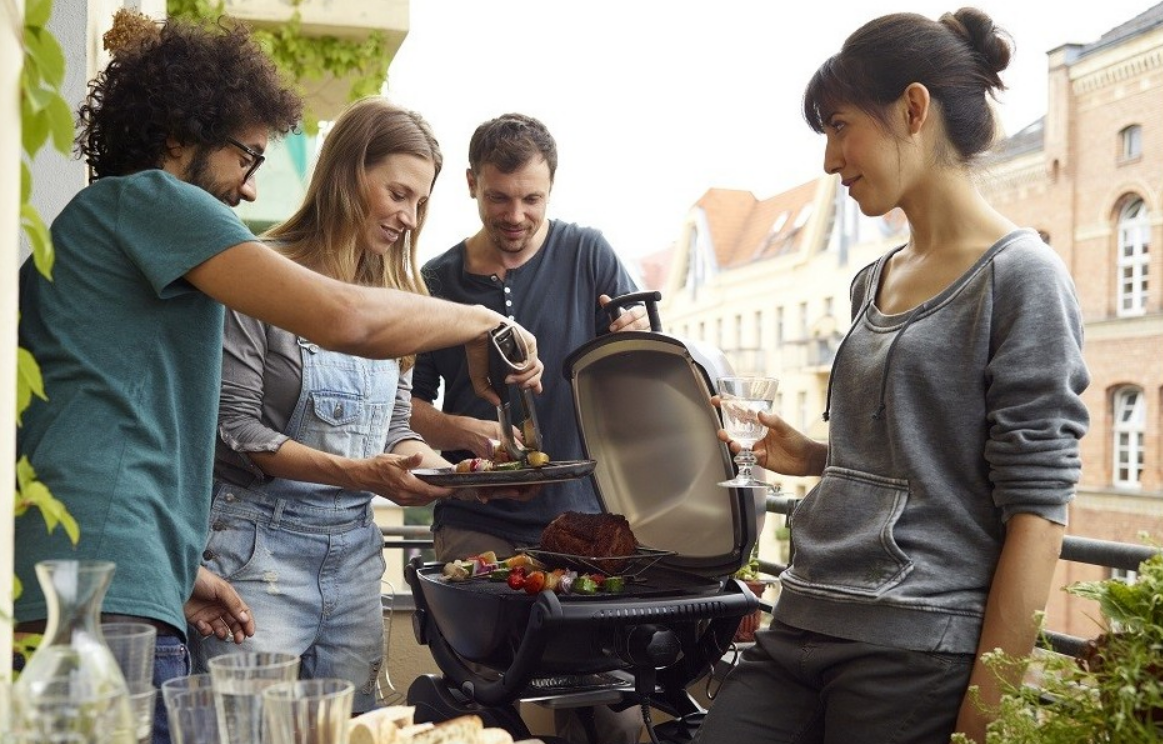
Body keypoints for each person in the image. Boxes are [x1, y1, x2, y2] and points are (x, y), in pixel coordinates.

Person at [13, 13, 540, 744]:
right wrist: (487, 322)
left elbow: (119, 408)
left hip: (128, 573)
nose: (251, 191)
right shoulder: (150, 202)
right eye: (247, 158)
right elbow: (342, 318)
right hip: (107, 586)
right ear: (176, 138)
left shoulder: (115, 227)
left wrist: (175, 570)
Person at [692, 9, 1089, 744]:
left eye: (840, 126)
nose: (828, 159)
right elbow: (911, 464)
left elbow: (1038, 511)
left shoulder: (1022, 276)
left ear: (913, 109)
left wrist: (984, 718)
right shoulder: (871, 281)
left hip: (911, 649)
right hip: (801, 618)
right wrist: (813, 458)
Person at [191, 96, 528, 713]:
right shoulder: (260, 271)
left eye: (421, 203)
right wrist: (359, 474)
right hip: (255, 556)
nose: (408, 216)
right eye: (398, 194)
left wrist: (456, 474)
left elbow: (397, 428)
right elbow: (234, 429)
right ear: (348, 175)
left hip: (354, 561)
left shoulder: (399, 295)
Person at [409, 113, 648, 744]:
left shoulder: (589, 252)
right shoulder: (436, 280)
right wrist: (456, 429)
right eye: (498, 197)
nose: (515, 214)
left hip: (583, 524)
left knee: (609, 709)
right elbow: (401, 405)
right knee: (489, 706)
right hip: (476, 526)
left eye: (531, 199)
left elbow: (639, 372)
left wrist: (638, 339)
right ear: (470, 185)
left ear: (551, 189)